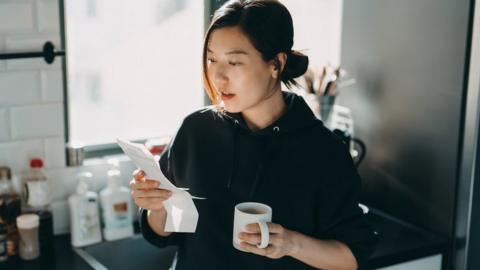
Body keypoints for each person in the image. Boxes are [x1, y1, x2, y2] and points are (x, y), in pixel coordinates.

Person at [130, 0, 378, 269]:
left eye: (234, 62)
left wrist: (291, 243)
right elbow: (164, 232)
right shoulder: (196, 130)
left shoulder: (323, 151)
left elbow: (352, 256)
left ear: (276, 64)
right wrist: (156, 205)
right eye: (212, 59)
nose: (219, 77)